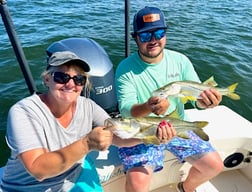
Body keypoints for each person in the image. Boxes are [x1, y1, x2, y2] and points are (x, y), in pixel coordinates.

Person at [115, 6, 224, 192]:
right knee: (137, 184)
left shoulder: (180, 61)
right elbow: (126, 110)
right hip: (142, 131)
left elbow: (195, 99)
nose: (153, 40)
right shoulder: (125, 69)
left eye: (158, 32)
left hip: (177, 126)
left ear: (165, 33)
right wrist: (149, 107)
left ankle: (185, 188)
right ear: (135, 38)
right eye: (145, 36)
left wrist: (204, 102)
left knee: (214, 165)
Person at [0, 51, 140, 192]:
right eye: (62, 77)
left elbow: (118, 135)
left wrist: (152, 135)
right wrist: (87, 143)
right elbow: (38, 169)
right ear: (47, 79)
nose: (70, 84)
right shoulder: (24, 111)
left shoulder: (88, 106)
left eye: (79, 79)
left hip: (73, 178)